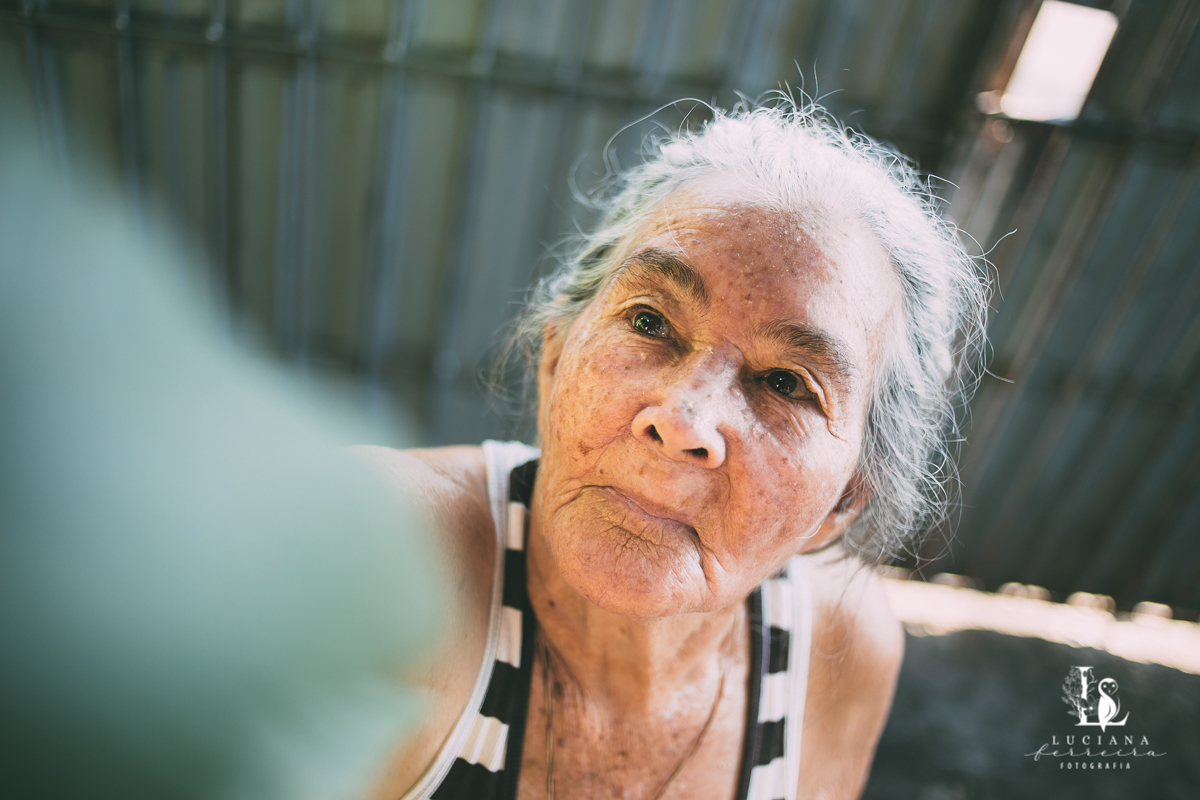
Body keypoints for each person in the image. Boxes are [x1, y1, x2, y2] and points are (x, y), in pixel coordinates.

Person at [357, 99, 988, 800]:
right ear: (555, 355)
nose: (685, 420)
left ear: (844, 501)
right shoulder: (377, 555)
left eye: (785, 383)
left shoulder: (837, 651)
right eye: (650, 321)